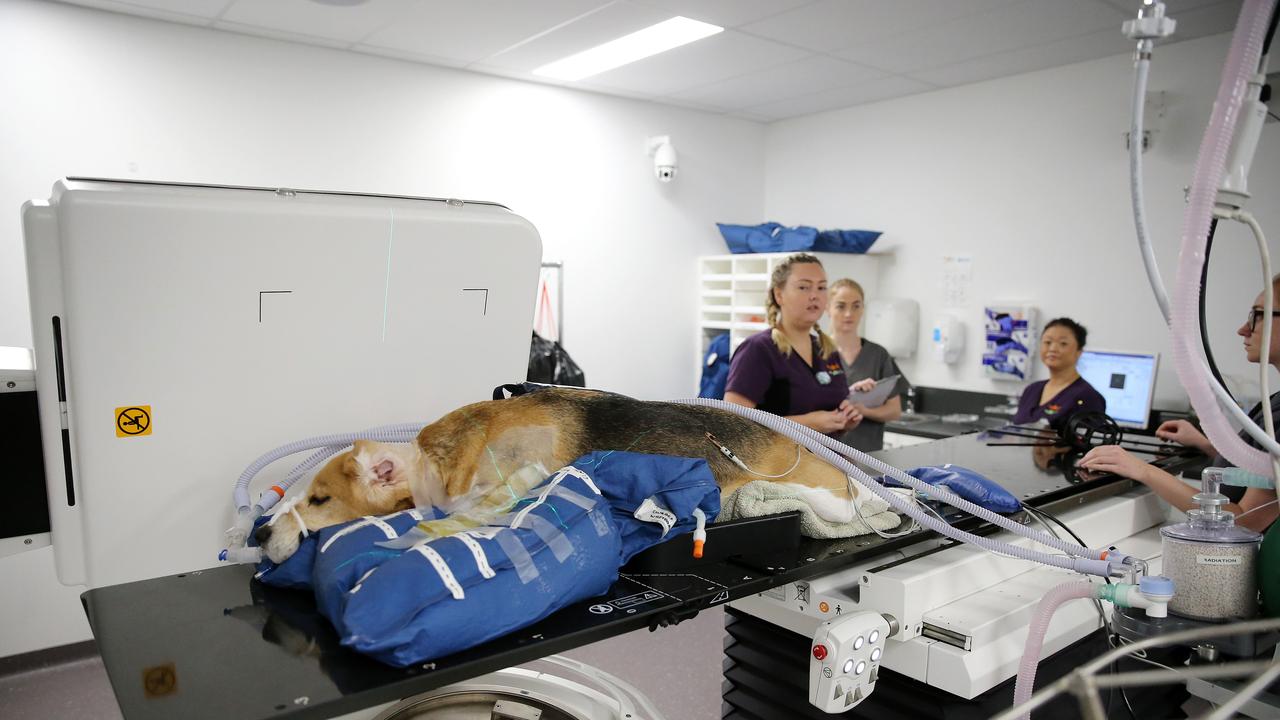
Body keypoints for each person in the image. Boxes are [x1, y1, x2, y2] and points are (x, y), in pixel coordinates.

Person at [1080, 279, 1280, 532]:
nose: (1243, 329)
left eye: (1258, 316)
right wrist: (1204, 443)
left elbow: (1244, 522)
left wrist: (1144, 470)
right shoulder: (1275, 402)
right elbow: (1260, 470)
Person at [724, 253, 863, 435]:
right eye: (804, 287)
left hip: (826, 462)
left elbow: (830, 413)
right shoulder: (759, 349)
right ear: (779, 295)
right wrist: (808, 423)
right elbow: (731, 425)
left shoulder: (826, 350)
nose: (815, 295)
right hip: (778, 463)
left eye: (821, 288)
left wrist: (845, 420)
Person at [827, 278, 908, 451]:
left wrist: (863, 410)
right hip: (825, 456)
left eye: (856, 306)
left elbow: (894, 411)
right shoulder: (817, 353)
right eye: (841, 306)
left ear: (863, 309)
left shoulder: (878, 355)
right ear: (828, 308)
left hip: (868, 455)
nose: (849, 314)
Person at [1013, 318, 1106, 427]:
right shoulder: (1031, 389)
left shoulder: (1088, 397)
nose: (1053, 348)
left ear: (1079, 352)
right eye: (1047, 342)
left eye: (1063, 343)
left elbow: (1090, 441)